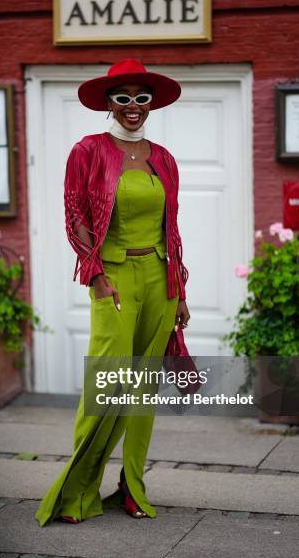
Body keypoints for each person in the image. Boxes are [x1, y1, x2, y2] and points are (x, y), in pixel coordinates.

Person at [35, 58, 190, 526]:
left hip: (160, 279)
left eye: (141, 98)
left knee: (143, 390)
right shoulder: (88, 151)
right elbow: (76, 217)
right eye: (123, 98)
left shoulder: (163, 158)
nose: (133, 107)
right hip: (115, 278)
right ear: (109, 103)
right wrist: (97, 275)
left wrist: (179, 289)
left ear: (151, 104)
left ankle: (133, 486)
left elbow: (172, 226)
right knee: (106, 384)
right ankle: (78, 491)